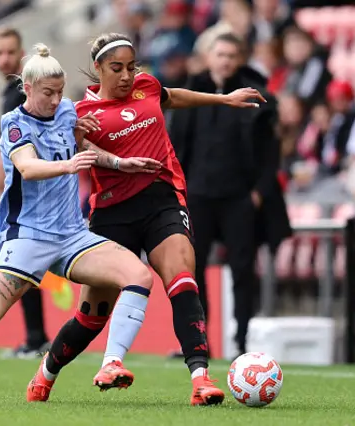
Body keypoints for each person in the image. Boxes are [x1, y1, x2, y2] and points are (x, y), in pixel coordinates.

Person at [0, 43, 156, 406]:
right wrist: (69, 165)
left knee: (139, 276)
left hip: (72, 234)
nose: (55, 100)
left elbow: (81, 151)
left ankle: (111, 364)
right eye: (48, 93)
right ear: (28, 89)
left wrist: (116, 162)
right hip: (28, 237)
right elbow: (28, 168)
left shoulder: (67, 112)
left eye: (60, 92)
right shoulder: (14, 124)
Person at [28, 32, 265, 406]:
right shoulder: (78, 114)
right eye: (116, 68)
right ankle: (45, 374)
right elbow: (82, 149)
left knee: (183, 279)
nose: (126, 76)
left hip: (162, 200)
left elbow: (173, 96)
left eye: (131, 67)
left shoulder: (147, 86)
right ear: (98, 69)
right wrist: (102, 151)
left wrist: (223, 99)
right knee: (92, 316)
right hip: (112, 213)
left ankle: (201, 379)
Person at [170, 33, 292, 357]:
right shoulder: (189, 94)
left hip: (240, 198)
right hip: (198, 195)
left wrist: (258, 193)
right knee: (192, 271)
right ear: (209, 57)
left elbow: (270, 153)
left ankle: (241, 341)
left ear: (239, 59)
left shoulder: (257, 97)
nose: (225, 60)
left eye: (231, 55)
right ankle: (198, 341)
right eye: (220, 54)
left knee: (242, 270)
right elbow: (176, 146)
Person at [0, 26, 50, 359]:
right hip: (25, 190)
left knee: (20, 264)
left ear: (22, 51)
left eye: (10, 52)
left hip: (33, 192)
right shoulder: (10, 91)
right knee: (22, 266)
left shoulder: (24, 90)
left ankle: (36, 337)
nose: (5, 59)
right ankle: (36, 336)